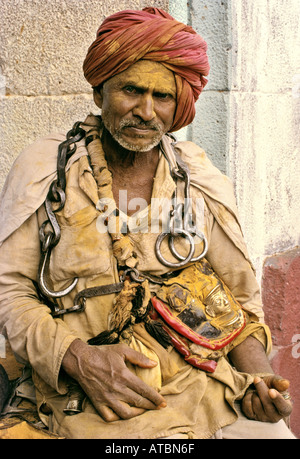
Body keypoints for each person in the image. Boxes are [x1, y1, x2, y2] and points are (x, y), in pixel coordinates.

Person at [0, 8, 295, 439]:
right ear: (100, 92)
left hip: (202, 386)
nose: (145, 111)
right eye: (131, 91)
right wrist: (76, 357)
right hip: (85, 393)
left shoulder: (197, 178)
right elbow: (11, 291)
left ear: (180, 106)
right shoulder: (48, 170)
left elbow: (238, 299)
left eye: (163, 97)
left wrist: (260, 381)